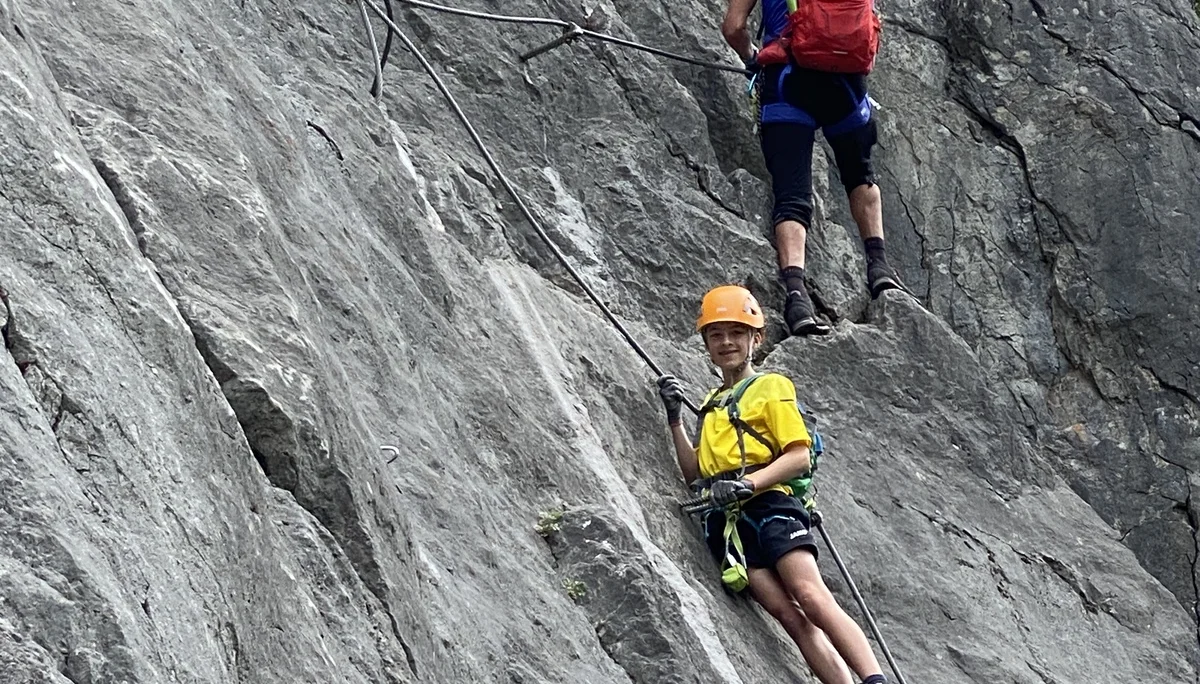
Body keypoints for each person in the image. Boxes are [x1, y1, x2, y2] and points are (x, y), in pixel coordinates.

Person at [657, 285, 889, 684]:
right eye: (716, 334)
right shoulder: (712, 404)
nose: (726, 341)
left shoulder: (771, 387)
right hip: (729, 524)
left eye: (736, 332)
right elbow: (695, 476)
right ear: (706, 343)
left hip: (770, 507)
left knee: (811, 597)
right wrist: (676, 418)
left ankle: (873, 679)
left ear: (755, 338)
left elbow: (797, 454)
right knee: (788, 616)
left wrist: (749, 484)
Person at [721, 0, 904, 336]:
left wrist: (752, 58)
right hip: (845, 82)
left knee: (792, 196)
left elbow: (733, 27)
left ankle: (797, 295)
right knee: (860, 174)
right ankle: (879, 266)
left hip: (786, 80)